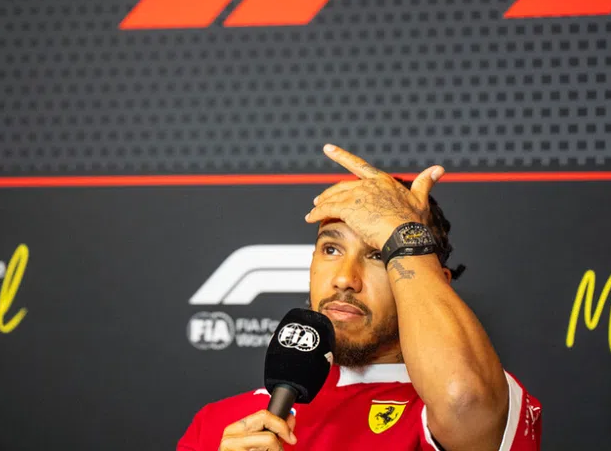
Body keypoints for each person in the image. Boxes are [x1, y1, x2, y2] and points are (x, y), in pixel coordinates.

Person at [177, 144, 541, 451]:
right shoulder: (221, 425)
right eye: (331, 249)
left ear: (433, 282)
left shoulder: (471, 399)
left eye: (379, 255)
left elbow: (462, 398)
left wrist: (402, 232)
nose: (344, 279)